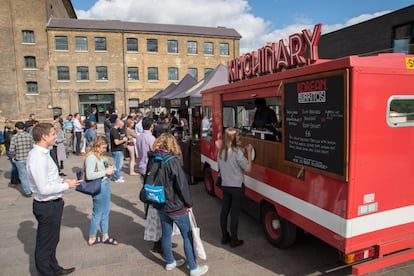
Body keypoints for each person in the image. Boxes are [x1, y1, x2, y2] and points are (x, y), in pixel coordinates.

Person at [27, 123, 80, 276]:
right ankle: (46, 272)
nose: (55, 136)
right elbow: (43, 189)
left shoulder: (44, 153)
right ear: (43, 136)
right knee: (44, 245)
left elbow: (50, 179)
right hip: (46, 205)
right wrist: (65, 186)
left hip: (53, 203)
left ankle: (54, 268)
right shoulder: (37, 157)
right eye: (52, 134)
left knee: (52, 240)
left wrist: (63, 182)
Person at [153, 133, 209, 276]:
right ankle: (194, 268)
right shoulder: (173, 161)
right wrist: (188, 203)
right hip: (175, 205)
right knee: (187, 235)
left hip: (160, 203)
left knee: (166, 234)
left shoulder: (155, 158)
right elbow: (182, 185)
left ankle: (170, 262)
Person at [218, 127, 252, 247]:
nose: (239, 137)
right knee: (235, 214)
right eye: (237, 136)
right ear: (232, 138)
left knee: (225, 210)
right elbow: (248, 168)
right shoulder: (238, 152)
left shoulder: (221, 151)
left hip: (225, 185)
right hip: (237, 186)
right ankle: (234, 240)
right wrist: (248, 152)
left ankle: (224, 237)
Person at [84, 136, 117, 246]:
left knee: (105, 211)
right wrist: (106, 172)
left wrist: (108, 169)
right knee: (98, 213)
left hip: (104, 185)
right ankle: (92, 237)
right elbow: (89, 175)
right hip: (100, 186)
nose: (104, 150)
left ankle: (105, 235)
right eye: (103, 147)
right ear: (97, 146)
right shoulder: (91, 157)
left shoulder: (97, 156)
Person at [10, 121, 34, 197]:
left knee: (23, 176)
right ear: (24, 128)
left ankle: (28, 192)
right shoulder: (29, 136)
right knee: (30, 175)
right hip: (29, 158)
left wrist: (13, 156)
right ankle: (32, 188)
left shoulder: (15, 137)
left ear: (16, 128)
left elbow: (11, 149)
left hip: (19, 159)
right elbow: (33, 146)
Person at [110, 118, 128, 183]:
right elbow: (116, 142)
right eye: (122, 126)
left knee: (119, 164)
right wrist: (124, 140)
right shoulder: (114, 131)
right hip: (116, 150)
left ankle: (117, 175)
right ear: (119, 125)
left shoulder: (114, 130)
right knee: (118, 165)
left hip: (117, 149)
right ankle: (116, 177)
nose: (122, 127)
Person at [4, 120, 19, 186]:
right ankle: (13, 180)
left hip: (9, 150)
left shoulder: (10, 133)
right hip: (10, 151)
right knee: (14, 166)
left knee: (15, 166)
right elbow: (12, 143)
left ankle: (16, 178)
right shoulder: (9, 134)